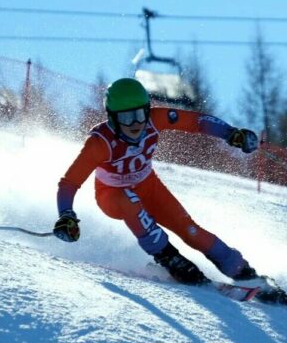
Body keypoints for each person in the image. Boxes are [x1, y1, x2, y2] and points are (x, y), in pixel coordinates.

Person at [53, 77, 260, 286]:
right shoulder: (100, 143)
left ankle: (242, 271)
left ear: (147, 110)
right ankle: (169, 258)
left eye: (139, 114)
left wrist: (231, 133)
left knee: (190, 230)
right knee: (129, 199)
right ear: (113, 119)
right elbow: (69, 183)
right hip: (112, 195)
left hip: (148, 186)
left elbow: (197, 122)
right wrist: (66, 215)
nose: (135, 123)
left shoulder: (156, 118)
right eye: (126, 118)